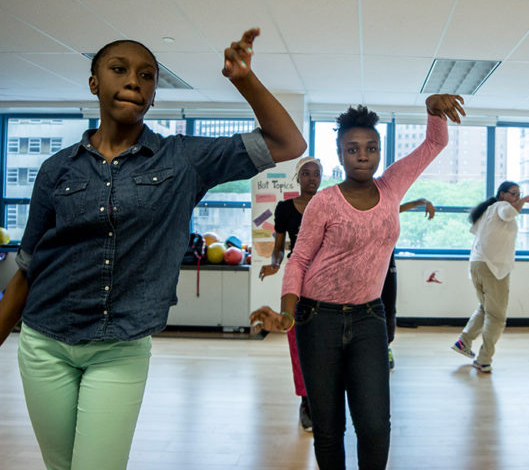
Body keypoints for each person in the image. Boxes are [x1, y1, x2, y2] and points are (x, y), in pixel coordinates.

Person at [0, 28, 306, 470]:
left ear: (154, 95)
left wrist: (244, 81)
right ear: (94, 82)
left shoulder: (181, 159)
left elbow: (287, 144)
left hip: (119, 347)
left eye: (146, 76)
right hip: (44, 343)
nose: (133, 82)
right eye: (119, 70)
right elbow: (27, 267)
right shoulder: (56, 168)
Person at [251, 94, 465, 470]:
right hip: (317, 320)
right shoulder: (325, 202)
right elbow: (298, 259)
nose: (362, 155)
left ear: (380, 151)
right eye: (352, 149)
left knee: (375, 427)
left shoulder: (391, 187)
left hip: (369, 318)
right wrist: (287, 313)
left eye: (370, 148)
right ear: (340, 153)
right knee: (329, 428)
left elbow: (435, 144)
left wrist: (432, 111)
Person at [258, 156, 322, 432]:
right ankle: (306, 400)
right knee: (296, 338)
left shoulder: (329, 203)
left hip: (327, 277)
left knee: (326, 339)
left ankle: (325, 398)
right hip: (298, 274)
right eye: (306, 173)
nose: (311, 178)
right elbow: (280, 245)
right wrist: (274, 263)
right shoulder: (284, 208)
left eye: (316, 173)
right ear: (298, 178)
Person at [450, 182, 529, 373]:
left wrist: (521, 201)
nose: (517, 197)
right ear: (502, 194)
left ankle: (463, 342)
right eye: (514, 194)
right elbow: (508, 213)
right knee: (497, 317)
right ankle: (483, 359)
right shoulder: (502, 207)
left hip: (477, 264)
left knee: (485, 309)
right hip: (493, 267)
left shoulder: (488, 209)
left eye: (519, 194)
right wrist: (526, 200)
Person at [382, 198, 436, 370]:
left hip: (387, 266)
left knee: (389, 307)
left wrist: (424, 201)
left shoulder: (386, 209)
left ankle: (386, 347)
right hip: (363, 267)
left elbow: (404, 206)